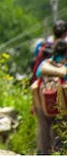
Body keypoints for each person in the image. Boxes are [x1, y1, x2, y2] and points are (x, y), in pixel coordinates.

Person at [32, 20, 67, 154]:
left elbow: (37, 76)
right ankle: (58, 150)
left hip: (43, 100)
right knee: (60, 127)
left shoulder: (45, 64)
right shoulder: (64, 67)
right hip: (61, 102)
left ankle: (42, 152)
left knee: (43, 126)